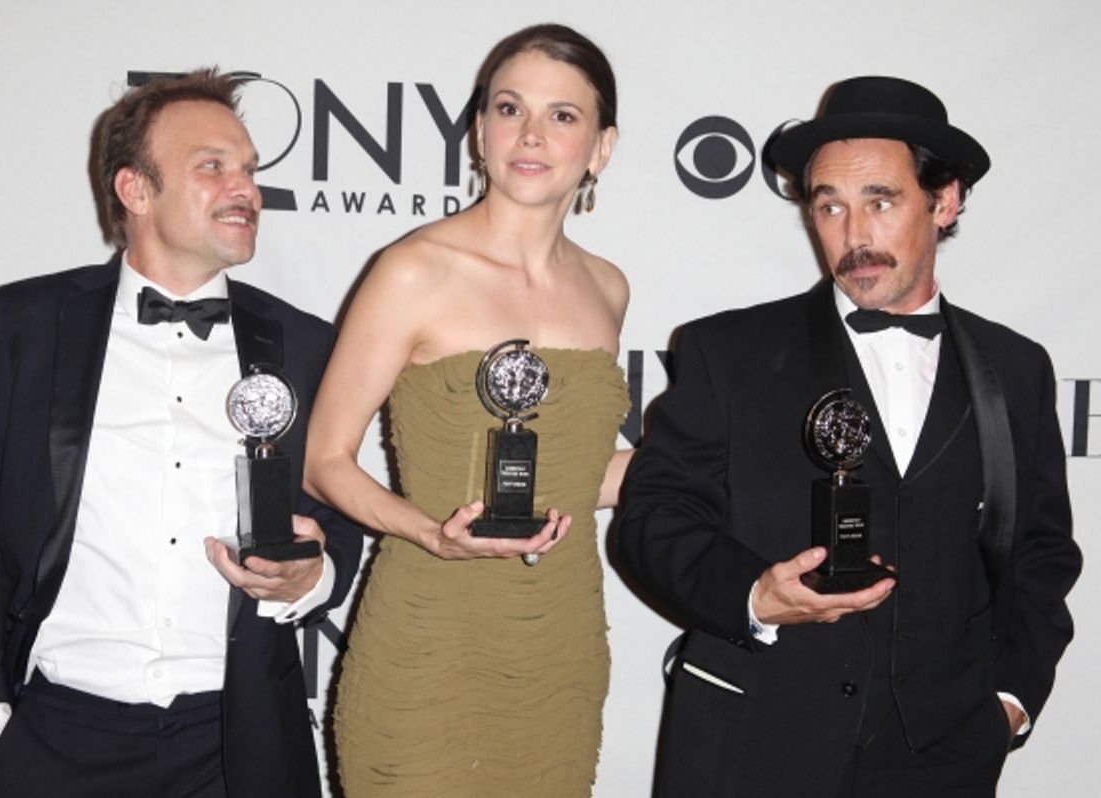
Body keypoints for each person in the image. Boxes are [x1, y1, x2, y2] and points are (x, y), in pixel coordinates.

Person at [616, 76, 1081, 797]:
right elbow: (653, 521)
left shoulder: (1015, 368)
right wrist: (753, 596)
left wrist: (1010, 703)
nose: (853, 235)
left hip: (943, 758)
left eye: (881, 201)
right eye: (828, 205)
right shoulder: (727, 352)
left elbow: (1042, 553)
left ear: (946, 200)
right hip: (751, 744)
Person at [0, 68, 362, 798]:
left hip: (239, 745)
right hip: (54, 741)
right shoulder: (27, 324)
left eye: (251, 170)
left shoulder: (307, 343)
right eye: (212, 167)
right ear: (135, 190)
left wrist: (310, 575)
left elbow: (336, 521)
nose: (246, 190)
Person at [303, 23, 628, 798]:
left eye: (562, 115)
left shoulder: (608, 289)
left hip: (560, 641)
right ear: (480, 130)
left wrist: (724, 459)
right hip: (430, 631)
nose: (531, 134)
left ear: (601, 147)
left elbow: (582, 473)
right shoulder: (414, 271)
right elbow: (322, 462)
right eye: (509, 108)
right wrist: (428, 534)